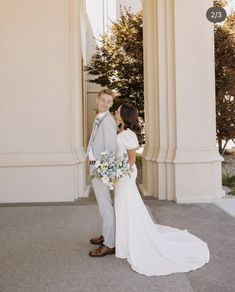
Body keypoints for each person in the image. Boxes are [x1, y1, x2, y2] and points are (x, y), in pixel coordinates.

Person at [114, 103, 210, 276]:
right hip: (121, 173)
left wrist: (119, 174)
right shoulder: (120, 130)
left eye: (118, 110)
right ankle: (124, 241)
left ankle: (130, 242)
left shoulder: (128, 135)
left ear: (124, 115)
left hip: (125, 175)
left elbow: (131, 160)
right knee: (123, 207)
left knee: (124, 205)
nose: (116, 112)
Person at [87, 89, 117, 257]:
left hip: (101, 170)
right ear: (97, 100)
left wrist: (104, 172)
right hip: (96, 167)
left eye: (109, 101)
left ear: (112, 104)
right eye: (103, 100)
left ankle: (110, 244)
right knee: (103, 206)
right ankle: (107, 234)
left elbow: (111, 149)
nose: (105, 103)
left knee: (106, 207)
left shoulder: (107, 122)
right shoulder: (100, 118)